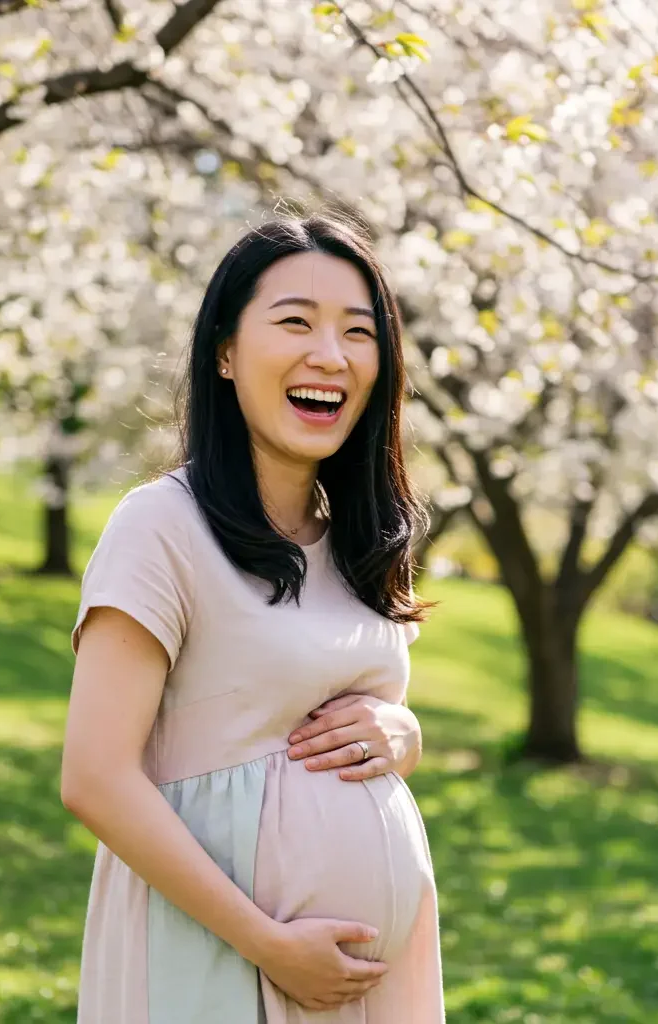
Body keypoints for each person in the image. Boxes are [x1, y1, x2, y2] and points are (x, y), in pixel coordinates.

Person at [60, 213, 445, 1023]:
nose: (330, 355)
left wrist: (403, 736)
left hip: (362, 985)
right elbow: (94, 778)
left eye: (357, 332)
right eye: (295, 322)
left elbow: (342, 716)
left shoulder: (362, 539)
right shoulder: (161, 527)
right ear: (227, 353)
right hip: (217, 955)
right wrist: (267, 943)